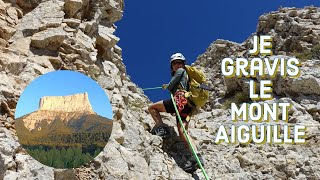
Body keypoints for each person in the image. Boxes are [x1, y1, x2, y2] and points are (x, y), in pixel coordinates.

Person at [148, 53, 204, 172]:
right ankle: (197, 157)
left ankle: (161, 128)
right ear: (172, 65)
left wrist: (168, 86)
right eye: (175, 63)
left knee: (152, 108)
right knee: (182, 131)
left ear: (183, 64)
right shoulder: (185, 75)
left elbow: (171, 85)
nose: (177, 65)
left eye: (179, 62)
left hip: (180, 100)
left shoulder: (180, 71)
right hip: (187, 105)